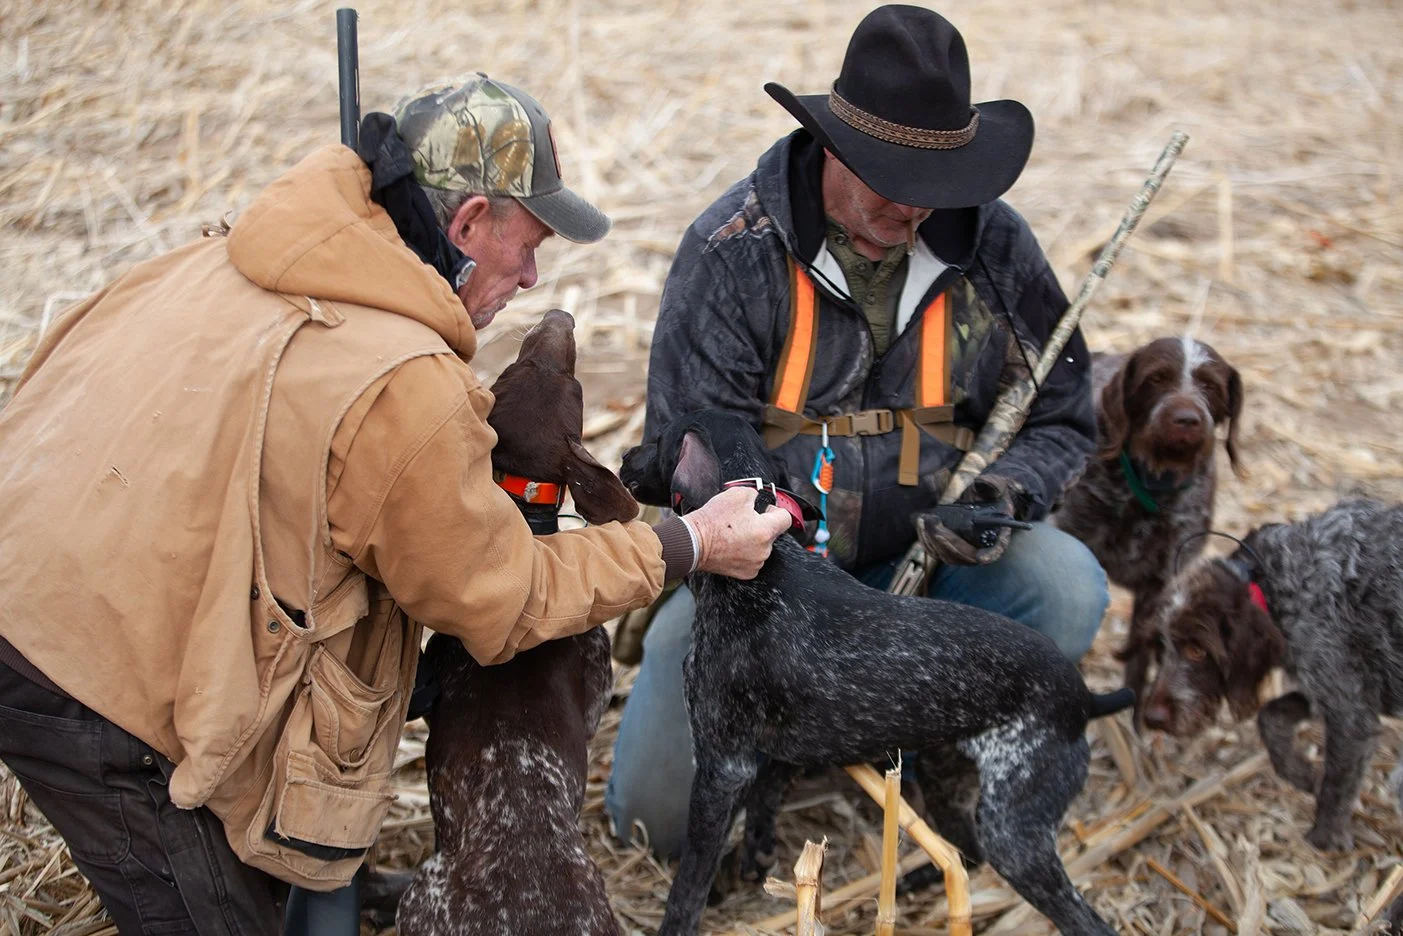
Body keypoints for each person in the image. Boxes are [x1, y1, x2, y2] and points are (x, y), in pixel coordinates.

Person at [0, 75, 790, 934]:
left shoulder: (236, 254)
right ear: (465, 221)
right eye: (524, 247)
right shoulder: (402, 382)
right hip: (84, 680)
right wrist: (689, 544)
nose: (529, 279)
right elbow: (497, 597)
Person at [606, 5, 1110, 860]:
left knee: (1065, 589)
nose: (911, 205)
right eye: (887, 173)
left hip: (931, 581)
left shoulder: (995, 247)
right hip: (764, 599)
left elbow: (1062, 414)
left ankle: (903, 724)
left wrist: (999, 497)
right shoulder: (732, 254)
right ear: (832, 143)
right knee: (654, 823)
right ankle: (804, 722)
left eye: (933, 181)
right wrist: (784, 543)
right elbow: (685, 461)